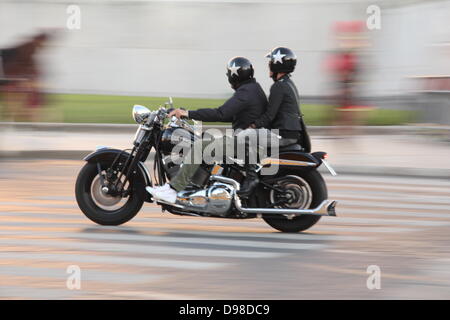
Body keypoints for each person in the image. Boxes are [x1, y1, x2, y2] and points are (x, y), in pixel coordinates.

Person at [146, 56, 268, 203]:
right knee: (204, 140)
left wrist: (188, 113)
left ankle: (174, 190)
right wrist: (188, 115)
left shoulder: (245, 92)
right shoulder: (253, 89)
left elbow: (220, 113)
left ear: (233, 76)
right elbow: (230, 115)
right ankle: (188, 185)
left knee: (199, 146)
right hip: (250, 141)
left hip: (246, 144)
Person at [250, 46, 310, 153]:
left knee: (244, 137)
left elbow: (269, 116)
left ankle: (250, 169)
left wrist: (252, 125)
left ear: (276, 65)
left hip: (283, 136)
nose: (269, 65)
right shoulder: (289, 83)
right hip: (292, 134)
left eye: (271, 62)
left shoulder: (278, 86)